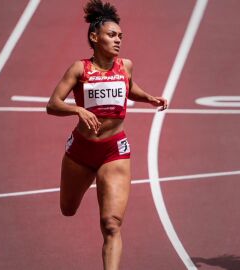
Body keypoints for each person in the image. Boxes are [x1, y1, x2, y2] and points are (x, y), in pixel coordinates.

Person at [46, 0, 167, 269]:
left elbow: (130, 87)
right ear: (94, 37)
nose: (118, 40)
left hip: (114, 151)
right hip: (80, 152)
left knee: (111, 224)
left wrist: (148, 97)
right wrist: (78, 110)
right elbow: (52, 104)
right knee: (67, 209)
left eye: (120, 36)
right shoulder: (79, 69)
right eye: (112, 35)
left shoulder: (125, 66)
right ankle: (90, 178)